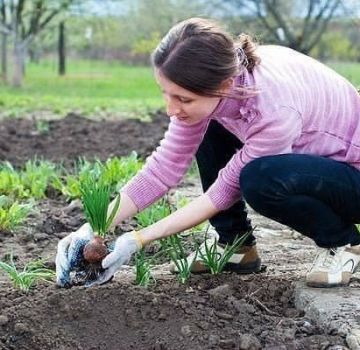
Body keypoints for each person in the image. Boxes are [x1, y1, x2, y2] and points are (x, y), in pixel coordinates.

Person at [56, 17, 360, 289]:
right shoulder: (223, 84)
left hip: (353, 176)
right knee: (210, 124)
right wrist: (93, 227)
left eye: (183, 99)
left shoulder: (272, 107)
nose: (171, 109)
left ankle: (343, 243)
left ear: (224, 85)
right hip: (321, 168)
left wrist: (137, 240)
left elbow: (223, 192)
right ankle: (236, 246)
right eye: (166, 93)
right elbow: (164, 168)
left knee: (260, 179)